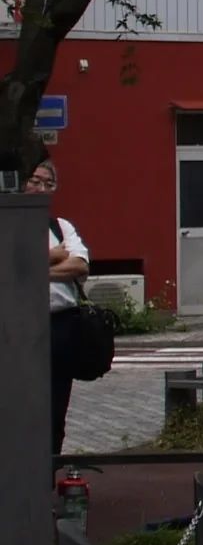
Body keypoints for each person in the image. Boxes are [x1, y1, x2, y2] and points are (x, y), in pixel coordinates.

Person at [31, 160, 89, 457]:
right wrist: (51, 256)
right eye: (35, 180)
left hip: (60, 325)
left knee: (56, 408)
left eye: (48, 183)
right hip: (20, 329)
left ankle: (48, 476)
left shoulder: (61, 226)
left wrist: (36, 268)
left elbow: (79, 265)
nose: (41, 188)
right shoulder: (9, 226)